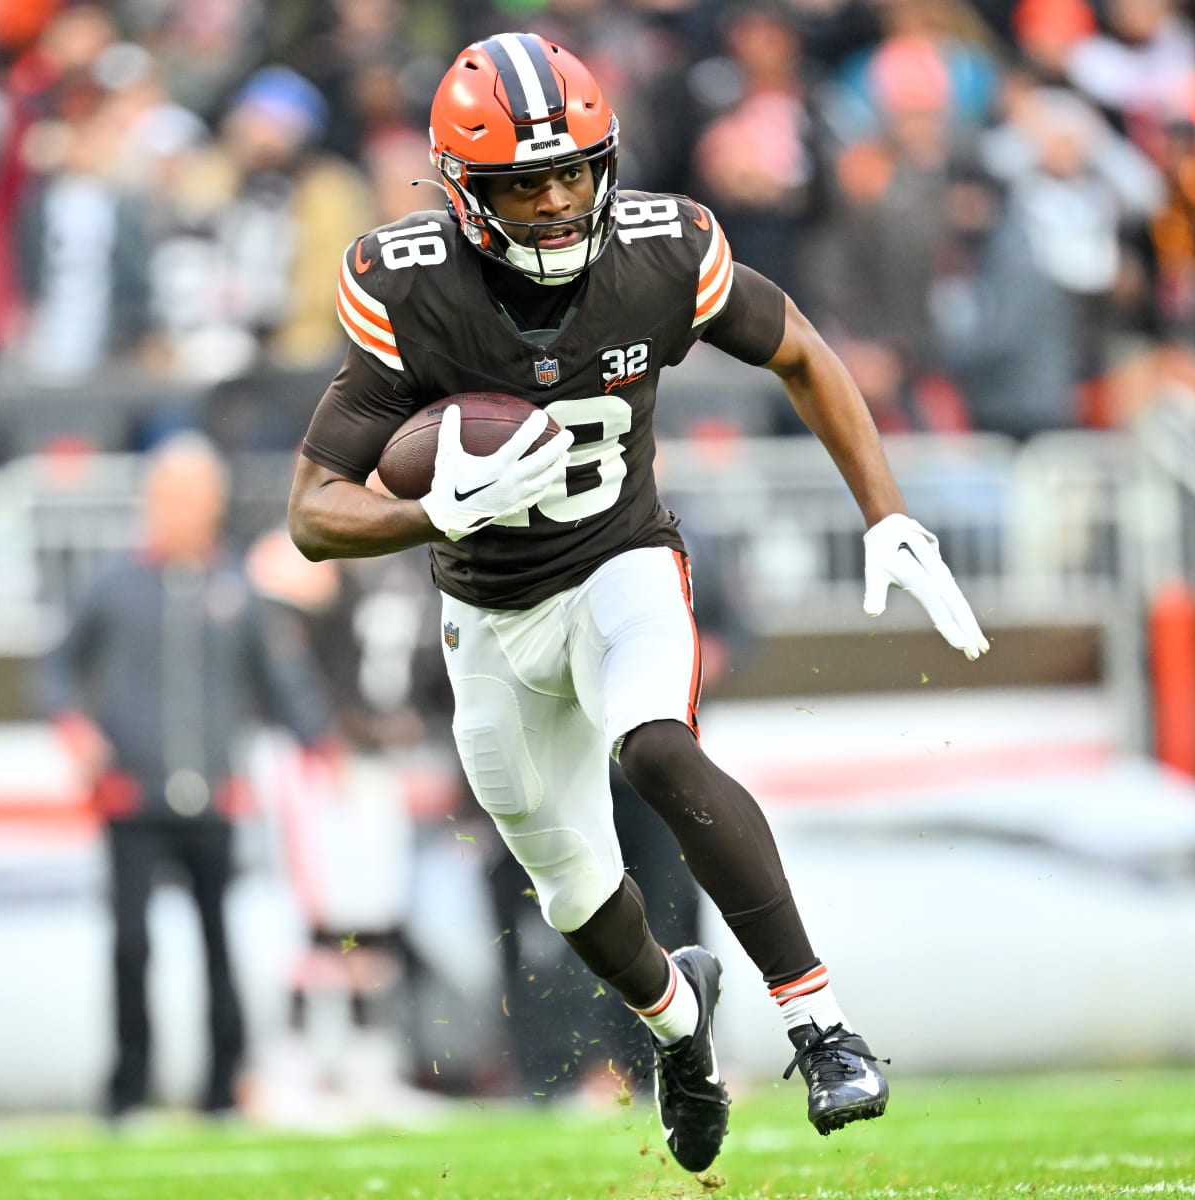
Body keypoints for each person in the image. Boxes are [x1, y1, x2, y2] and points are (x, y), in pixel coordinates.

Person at [286, 34, 990, 1174]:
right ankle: (681, 1032)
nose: (561, 201)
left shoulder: (665, 249)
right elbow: (312, 512)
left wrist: (886, 511)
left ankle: (821, 1027)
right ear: (465, 194)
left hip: (622, 560)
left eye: (575, 172)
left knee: (656, 746)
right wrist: (434, 513)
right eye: (527, 182)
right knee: (572, 889)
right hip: (489, 618)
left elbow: (800, 349)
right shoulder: (407, 283)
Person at [34, 433, 330, 1123]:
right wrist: (73, 729)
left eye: (193, 498)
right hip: (130, 796)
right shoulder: (113, 585)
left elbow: (280, 680)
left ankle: (223, 1089)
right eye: (169, 496)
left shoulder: (237, 589)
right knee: (131, 946)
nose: (179, 511)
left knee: (219, 946)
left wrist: (320, 745)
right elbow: (54, 667)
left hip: (215, 798)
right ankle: (128, 1092)